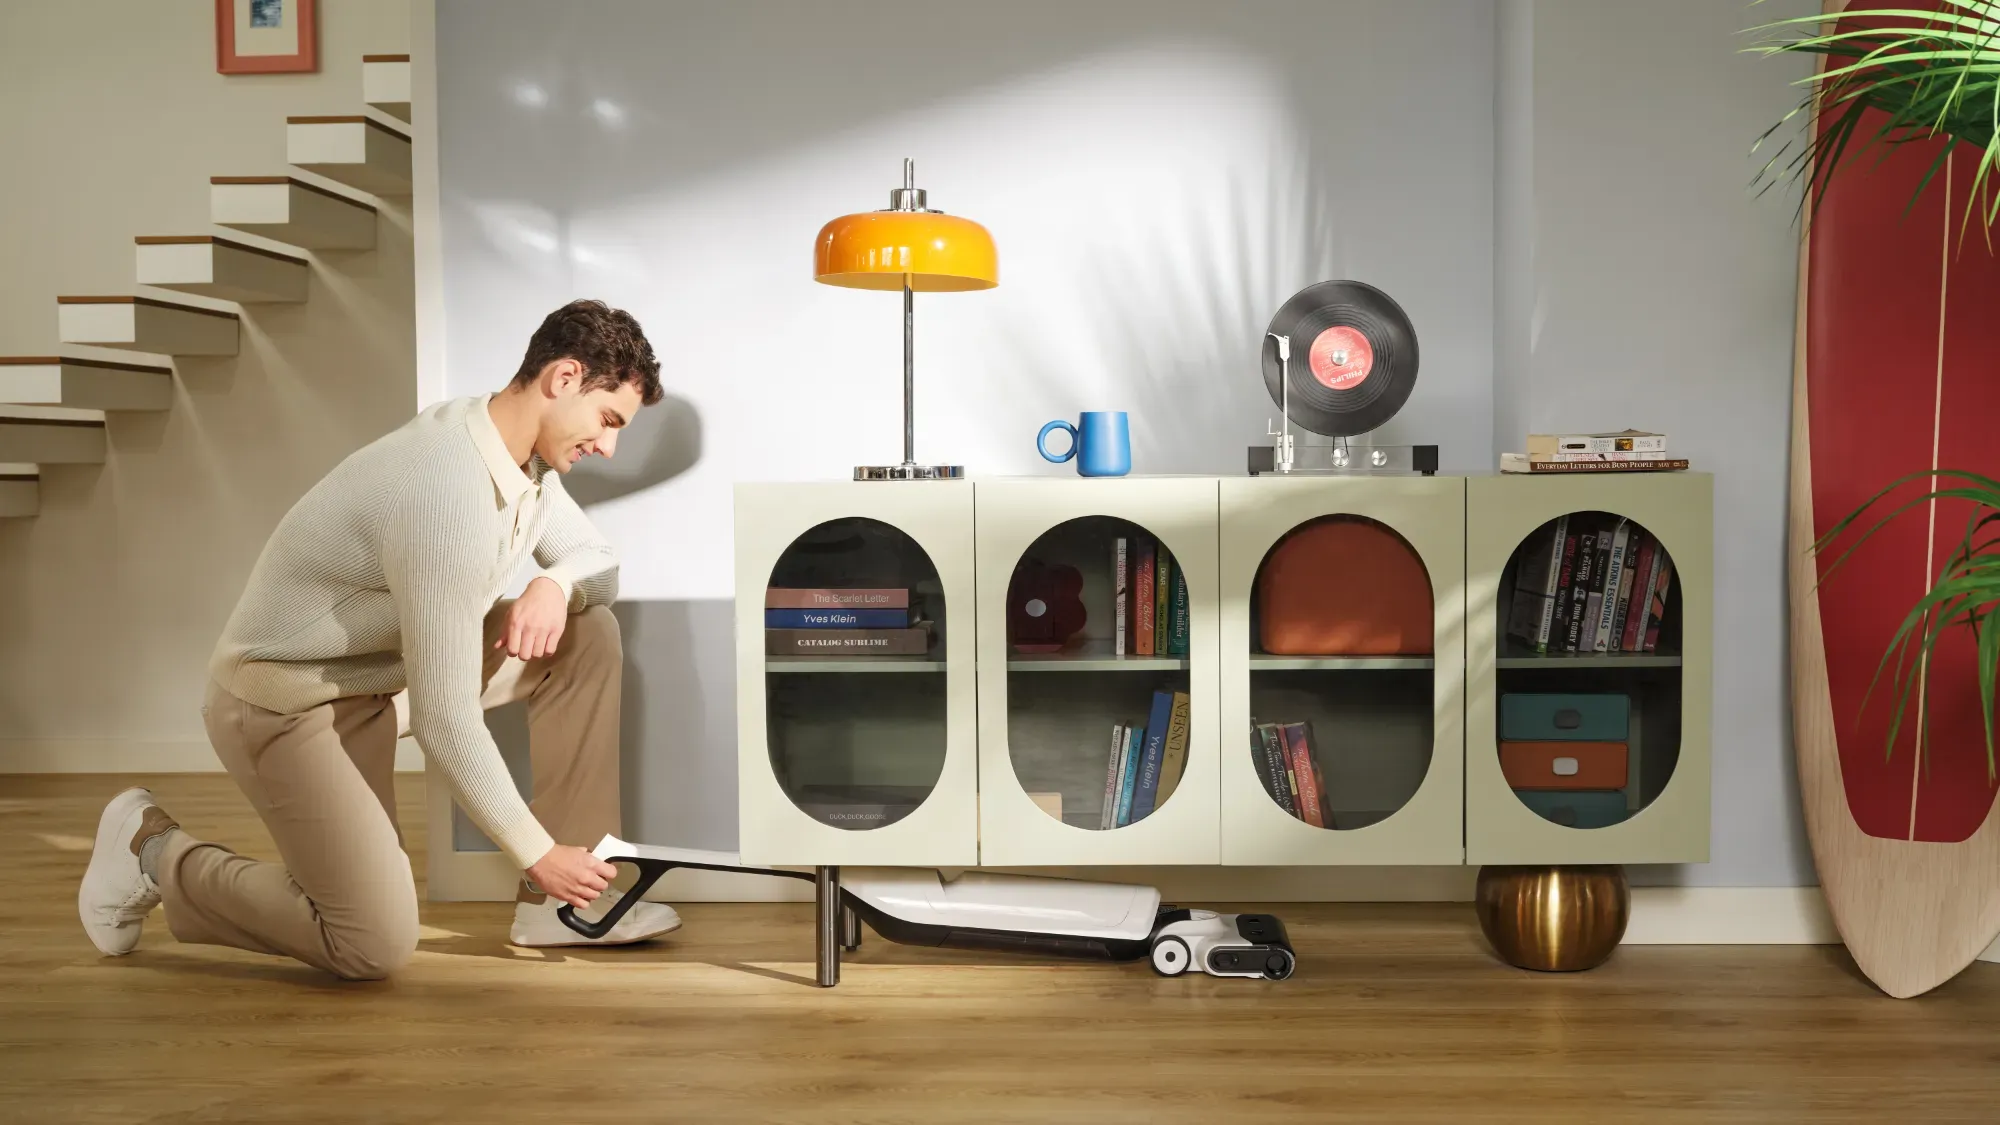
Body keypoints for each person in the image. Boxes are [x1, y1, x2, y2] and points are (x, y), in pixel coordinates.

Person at [76, 299, 678, 980]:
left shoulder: (520, 462)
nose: (608, 447)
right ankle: (152, 851)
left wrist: (554, 585)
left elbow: (600, 563)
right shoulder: (444, 492)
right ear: (564, 378)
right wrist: (536, 849)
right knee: (371, 941)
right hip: (284, 703)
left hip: (374, 685)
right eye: (609, 420)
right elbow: (447, 720)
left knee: (585, 631)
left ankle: (560, 907)